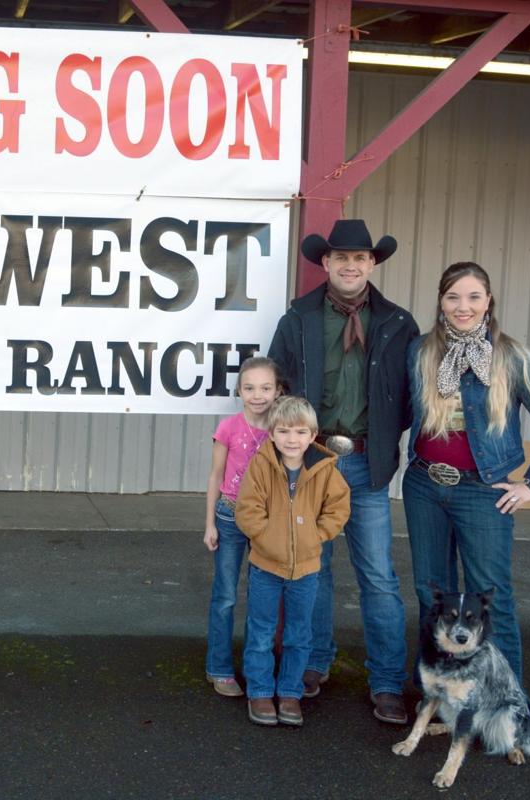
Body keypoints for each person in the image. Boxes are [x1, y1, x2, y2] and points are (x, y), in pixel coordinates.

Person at [267, 218, 419, 725]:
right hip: (311, 463)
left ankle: (387, 681)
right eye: (340, 257)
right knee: (315, 569)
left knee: (377, 575)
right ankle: (313, 662)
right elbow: (279, 385)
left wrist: (383, 441)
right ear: (325, 263)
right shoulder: (299, 318)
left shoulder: (398, 322)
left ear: (371, 263)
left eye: (360, 258)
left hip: (365, 463)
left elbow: (410, 396)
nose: (350, 265)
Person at [403, 262, 530, 718]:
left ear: (488, 302)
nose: (463, 306)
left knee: (491, 596)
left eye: (474, 297)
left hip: (483, 492)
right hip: (424, 485)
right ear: (441, 301)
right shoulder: (420, 352)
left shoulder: (511, 358)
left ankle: (509, 707)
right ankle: (441, 699)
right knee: (431, 594)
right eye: (454, 297)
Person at [236, 396, 350, 727]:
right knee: (261, 631)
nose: (292, 439)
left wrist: (316, 535)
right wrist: (266, 538)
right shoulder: (261, 465)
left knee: (299, 634)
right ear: (271, 433)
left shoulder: (325, 468)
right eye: (284, 431)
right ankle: (259, 691)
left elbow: (338, 508)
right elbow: (248, 509)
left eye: (300, 432)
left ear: (313, 434)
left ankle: (289, 692)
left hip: (306, 569)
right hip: (265, 566)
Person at [203, 357, 281, 697]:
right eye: (249, 388)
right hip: (229, 515)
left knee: (263, 597)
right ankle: (219, 667)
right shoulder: (229, 428)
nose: (258, 395)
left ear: (278, 390)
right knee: (225, 595)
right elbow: (216, 476)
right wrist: (209, 524)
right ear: (239, 391)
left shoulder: (282, 429)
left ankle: (256, 669)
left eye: (266, 388)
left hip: (267, 519)